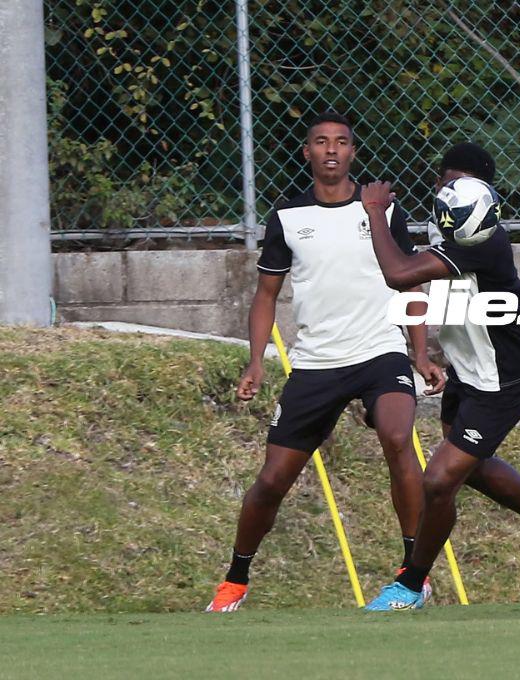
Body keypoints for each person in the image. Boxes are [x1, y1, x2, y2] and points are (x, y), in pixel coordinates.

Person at [205, 110, 446, 612]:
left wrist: (420, 354)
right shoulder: (288, 217)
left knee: (398, 437)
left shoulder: (382, 210)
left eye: (341, 142)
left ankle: (412, 574)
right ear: (307, 152)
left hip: (380, 348)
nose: (331, 150)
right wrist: (256, 361)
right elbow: (265, 295)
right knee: (272, 480)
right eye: (321, 142)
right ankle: (235, 578)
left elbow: (409, 283)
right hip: (316, 362)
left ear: (353, 152)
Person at [360, 143, 520, 611]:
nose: (450, 191)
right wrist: (422, 353)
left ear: (484, 195)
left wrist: (375, 215)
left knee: (440, 481)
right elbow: (412, 282)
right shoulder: (447, 221)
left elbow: (397, 272)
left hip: (502, 378)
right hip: (469, 370)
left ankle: (410, 583)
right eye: (445, 182)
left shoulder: (484, 238)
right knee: (473, 466)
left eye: (461, 183)